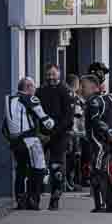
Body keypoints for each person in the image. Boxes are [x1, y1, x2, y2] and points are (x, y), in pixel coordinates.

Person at [3, 77, 55, 210]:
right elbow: (45, 120)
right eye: (32, 86)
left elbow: (3, 127)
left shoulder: (10, 100)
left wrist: (11, 139)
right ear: (27, 88)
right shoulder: (31, 99)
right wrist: (52, 125)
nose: (34, 89)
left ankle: (20, 200)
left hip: (15, 142)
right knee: (38, 169)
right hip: (29, 140)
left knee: (20, 170)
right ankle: (33, 200)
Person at [35, 64, 75, 211]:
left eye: (53, 74)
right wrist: (40, 133)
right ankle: (35, 198)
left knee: (56, 167)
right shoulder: (40, 91)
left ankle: (55, 198)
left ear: (59, 74)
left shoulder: (66, 92)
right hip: (42, 135)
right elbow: (35, 113)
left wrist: (52, 133)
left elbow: (68, 118)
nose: (51, 77)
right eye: (49, 74)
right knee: (37, 166)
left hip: (59, 136)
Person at [82, 71, 112, 213]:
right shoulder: (110, 98)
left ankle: (105, 205)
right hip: (106, 141)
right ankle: (102, 205)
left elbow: (96, 122)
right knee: (99, 171)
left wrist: (107, 134)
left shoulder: (94, 101)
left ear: (94, 88)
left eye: (84, 87)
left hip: (99, 143)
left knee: (99, 172)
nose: (82, 90)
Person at [65, 74, 85, 192]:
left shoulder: (64, 94)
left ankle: (68, 182)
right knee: (72, 158)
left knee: (69, 158)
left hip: (67, 131)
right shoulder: (74, 97)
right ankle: (70, 182)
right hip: (73, 132)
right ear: (76, 85)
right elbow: (78, 116)